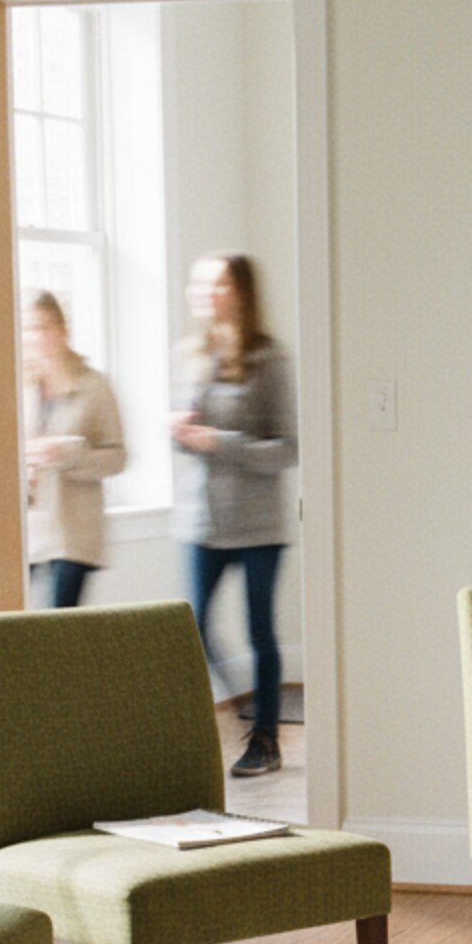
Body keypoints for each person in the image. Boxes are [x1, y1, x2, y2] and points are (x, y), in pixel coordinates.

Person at [173, 252, 298, 776]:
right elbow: (189, 439)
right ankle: (241, 702)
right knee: (192, 629)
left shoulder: (271, 360)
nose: (205, 293)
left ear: (241, 293)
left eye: (217, 284)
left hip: (258, 527)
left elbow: (287, 449)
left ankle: (265, 739)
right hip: (202, 523)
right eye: (199, 283)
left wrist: (218, 440)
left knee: (260, 633)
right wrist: (181, 432)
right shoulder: (191, 356)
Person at [23, 291, 126, 608]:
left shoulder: (94, 385)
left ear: (63, 329)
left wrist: (68, 454)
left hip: (74, 532)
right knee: (12, 624)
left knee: (60, 627)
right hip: (29, 527)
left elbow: (117, 458)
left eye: (45, 326)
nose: (38, 337)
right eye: (30, 328)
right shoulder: (19, 386)